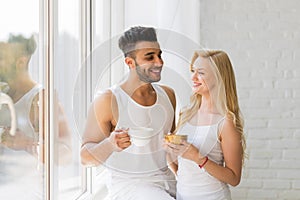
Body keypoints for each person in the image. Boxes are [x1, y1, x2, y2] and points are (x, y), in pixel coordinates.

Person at [80, 26, 177, 200]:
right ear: (130, 63)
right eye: (150, 57)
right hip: (130, 188)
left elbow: (168, 149)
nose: (159, 62)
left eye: (159, 55)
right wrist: (110, 144)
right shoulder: (108, 100)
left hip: (168, 183)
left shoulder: (168, 95)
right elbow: (85, 158)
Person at [164, 50, 246, 200]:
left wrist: (199, 158)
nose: (193, 77)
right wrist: (168, 152)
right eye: (193, 71)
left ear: (219, 77)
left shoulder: (225, 123)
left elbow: (234, 178)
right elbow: (180, 170)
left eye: (200, 72)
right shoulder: (186, 114)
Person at [0, 34, 72, 199]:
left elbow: (66, 155)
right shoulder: (3, 94)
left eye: (1, 58)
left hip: (25, 193)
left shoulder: (41, 99)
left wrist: (26, 143)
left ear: (21, 61)